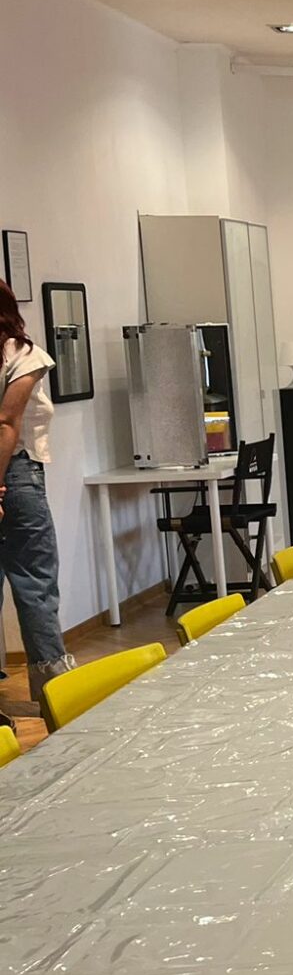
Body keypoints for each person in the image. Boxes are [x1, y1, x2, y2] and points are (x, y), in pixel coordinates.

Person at [0, 283, 73, 712]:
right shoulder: (24, 355)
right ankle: (54, 697)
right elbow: (7, 423)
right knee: (35, 584)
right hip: (16, 476)